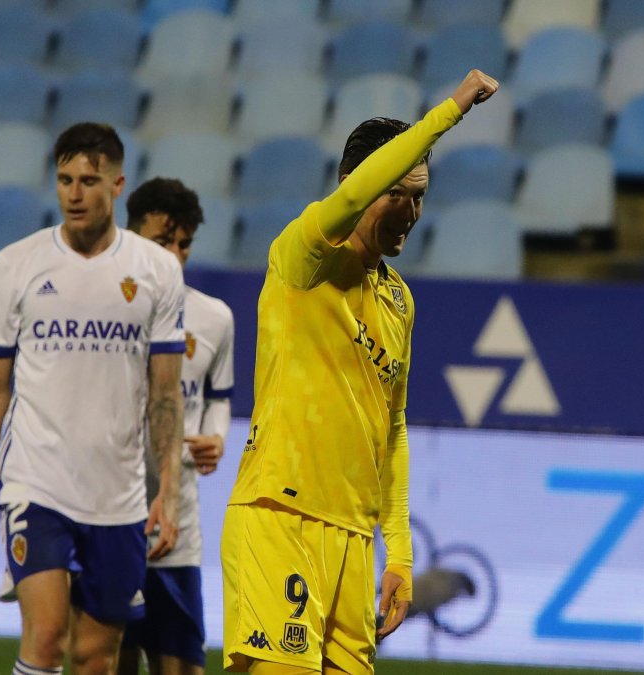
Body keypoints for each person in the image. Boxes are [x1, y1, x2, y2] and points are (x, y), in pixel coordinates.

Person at [221, 68, 500, 674]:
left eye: (420, 196)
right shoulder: (302, 258)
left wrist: (397, 553)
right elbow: (345, 203)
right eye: (396, 191)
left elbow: (391, 429)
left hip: (352, 540)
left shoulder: (399, 299)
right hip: (280, 518)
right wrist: (445, 115)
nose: (410, 210)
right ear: (356, 183)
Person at [0, 123, 185, 675]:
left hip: (118, 494)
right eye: (63, 180)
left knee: (95, 657)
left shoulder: (155, 272)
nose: (74, 193)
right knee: (48, 636)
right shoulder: (16, 266)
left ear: (117, 184)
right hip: (37, 482)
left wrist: (169, 491)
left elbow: (165, 395)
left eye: (88, 180)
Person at [117, 177, 235, 675]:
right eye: (163, 241)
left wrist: (217, 437)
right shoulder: (103, 309)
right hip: (109, 517)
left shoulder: (213, 318)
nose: (175, 254)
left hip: (176, 527)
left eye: (184, 244)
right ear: (131, 235)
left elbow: (218, 399)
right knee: (103, 662)